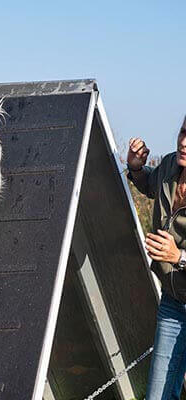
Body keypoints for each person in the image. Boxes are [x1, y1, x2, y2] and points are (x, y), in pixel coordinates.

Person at [127, 116, 186, 400]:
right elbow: (151, 185)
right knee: (158, 396)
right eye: (184, 133)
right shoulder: (169, 165)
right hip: (173, 303)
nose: (184, 143)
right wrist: (136, 169)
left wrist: (179, 256)